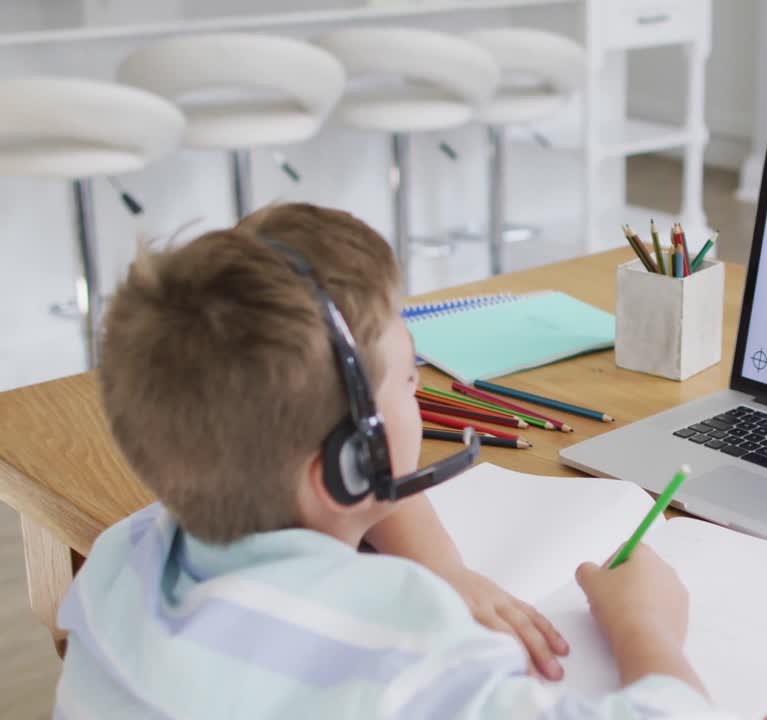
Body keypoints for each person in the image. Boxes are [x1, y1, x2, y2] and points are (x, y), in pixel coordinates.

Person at [54, 203, 713, 718]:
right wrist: (645, 626)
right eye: (406, 380)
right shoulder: (402, 643)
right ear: (346, 465)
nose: (421, 387)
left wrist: (444, 564)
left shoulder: (124, 560)